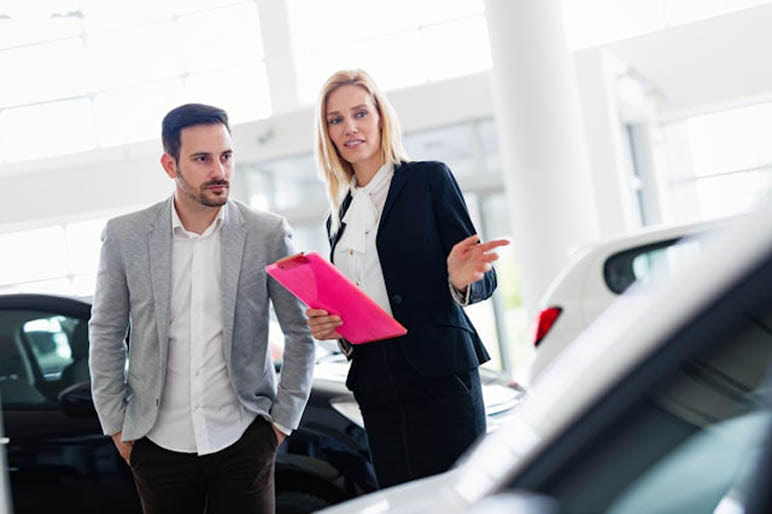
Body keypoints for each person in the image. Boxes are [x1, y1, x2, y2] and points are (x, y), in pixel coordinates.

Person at [88, 103, 316, 514]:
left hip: (245, 438)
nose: (220, 170)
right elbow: (105, 333)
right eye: (202, 159)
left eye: (226, 156)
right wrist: (118, 426)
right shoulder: (126, 236)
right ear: (169, 163)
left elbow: (299, 330)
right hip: (157, 444)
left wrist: (281, 423)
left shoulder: (268, 233)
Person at [306, 69, 510, 488]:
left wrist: (461, 280)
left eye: (360, 113)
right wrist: (332, 326)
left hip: (439, 376)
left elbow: (482, 277)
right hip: (378, 385)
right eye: (336, 119)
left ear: (381, 117)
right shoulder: (337, 218)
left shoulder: (427, 180)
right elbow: (362, 301)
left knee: (456, 498)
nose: (350, 127)